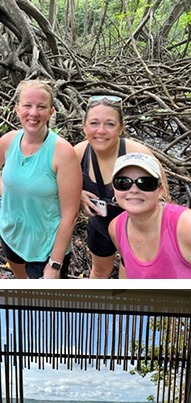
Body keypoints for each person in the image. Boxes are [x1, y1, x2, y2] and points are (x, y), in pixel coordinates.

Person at [0, 80, 82, 279]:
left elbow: (70, 214)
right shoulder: (8, 141)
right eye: (27, 106)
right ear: (17, 109)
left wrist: (55, 264)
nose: (34, 113)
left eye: (41, 107)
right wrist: (6, 191)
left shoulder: (63, 153)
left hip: (45, 248)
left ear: (51, 112)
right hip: (11, 236)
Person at [74, 96, 167, 278]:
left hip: (135, 231)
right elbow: (53, 186)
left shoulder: (137, 153)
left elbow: (163, 195)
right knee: (99, 271)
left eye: (110, 124)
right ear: (84, 126)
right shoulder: (78, 152)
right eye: (94, 123)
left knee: (129, 275)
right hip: (100, 226)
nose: (101, 131)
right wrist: (77, 194)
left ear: (121, 128)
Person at [108, 153, 191, 278]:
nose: (134, 190)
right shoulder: (116, 228)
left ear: (160, 190)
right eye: (123, 182)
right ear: (114, 188)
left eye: (145, 183)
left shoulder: (185, 225)